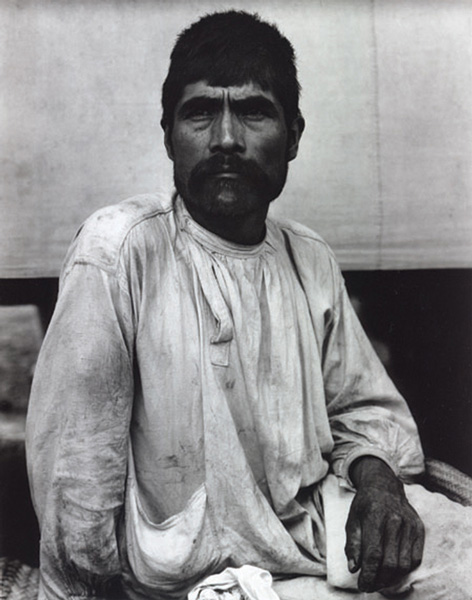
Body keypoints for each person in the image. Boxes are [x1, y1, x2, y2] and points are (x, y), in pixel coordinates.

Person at [26, 10, 471, 600]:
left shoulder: (307, 256)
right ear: (168, 134)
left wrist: (379, 486)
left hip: (317, 543)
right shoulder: (120, 250)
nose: (227, 139)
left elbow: (366, 413)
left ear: (293, 134)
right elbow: (75, 472)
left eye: (254, 111)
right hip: (184, 579)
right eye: (201, 111)